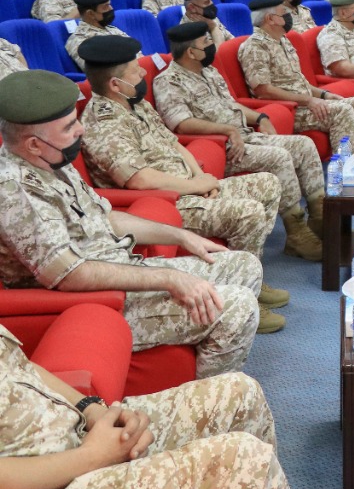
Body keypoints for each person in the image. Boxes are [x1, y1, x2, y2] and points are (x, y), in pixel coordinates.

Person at [0, 70, 262, 374]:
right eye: (69, 126)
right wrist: (169, 278)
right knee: (237, 306)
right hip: (93, 303)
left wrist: (181, 237)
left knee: (244, 265)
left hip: (119, 269)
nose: (81, 129)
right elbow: (70, 275)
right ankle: (214, 392)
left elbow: (106, 218)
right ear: (33, 144)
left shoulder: (52, 160)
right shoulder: (14, 189)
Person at [76, 37, 287, 332]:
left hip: (189, 186)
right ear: (115, 84)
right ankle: (246, 294)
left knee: (267, 183)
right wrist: (194, 187)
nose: (144, 73)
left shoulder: (135, 104)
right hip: (168, 203)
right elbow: (139, 179)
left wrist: (200, 178)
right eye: (135, 71)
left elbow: (174, 143)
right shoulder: (104, 122)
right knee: (248, 212)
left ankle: (252, 275)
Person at [0, 353, 296, 489]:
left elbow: (18, 365)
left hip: (78, 433)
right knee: (247, 463)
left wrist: (91, 410)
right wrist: (92, 456)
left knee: (240, 393)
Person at [154, 21, 326, 262]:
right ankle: (296, 233)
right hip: (223, 147)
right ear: (191, 52)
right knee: (279, 157)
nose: (212, 45)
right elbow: (181, 124)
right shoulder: (169, 81)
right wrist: (227, 130)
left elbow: (232, 105)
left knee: (303, 145)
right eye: (206, 42)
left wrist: (261, 117)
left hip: (244, 135)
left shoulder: (209, 71)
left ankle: (320, 219)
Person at [237, 0, 354, 166]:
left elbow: (299, 82)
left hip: (306, 102)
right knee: (342, 111)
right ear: (270, 19)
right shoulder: (255, 47)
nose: (288, 16)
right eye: (283, 13)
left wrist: (324, 95)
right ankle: (343, 171)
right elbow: (263, 90)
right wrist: (309, 100)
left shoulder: (282, 40)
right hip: (290, 108)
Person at [65, 0, 128, 72]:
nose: (111, 9)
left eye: (109, 4)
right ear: (90, 14)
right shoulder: (80, 40)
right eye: (105, 7)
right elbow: (101, 72)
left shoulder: (112, 29)